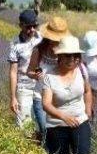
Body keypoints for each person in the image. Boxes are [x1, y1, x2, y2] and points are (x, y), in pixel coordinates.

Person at [41, 35, 93, 154]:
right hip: (57, 124)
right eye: (68, 55)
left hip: (79, 120)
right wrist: (64, 117)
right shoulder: (50, 76)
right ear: (60, 56)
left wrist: (88, 111)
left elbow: (88, 91)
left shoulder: (82, 69)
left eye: (76, 55)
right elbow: (46, 104)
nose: (73, 59)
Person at [27, 16, 71, 144]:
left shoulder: (66, 54)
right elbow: (29, 70)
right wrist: (34, 75)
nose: (54, 42)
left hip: (58, 100)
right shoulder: (38, 51)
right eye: (52, 39)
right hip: (39, 98)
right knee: (45, 129)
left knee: (57, 134)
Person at [7, 9, 42, 129]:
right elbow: (13, 72)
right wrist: (13, 98)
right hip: (24, 87)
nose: (32, 29)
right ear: (20, 25)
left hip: (41, 87)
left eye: (34, 26)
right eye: (28, 27)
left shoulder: (41, 39)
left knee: (42, 125)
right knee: (24, 126)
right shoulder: (15, 44)